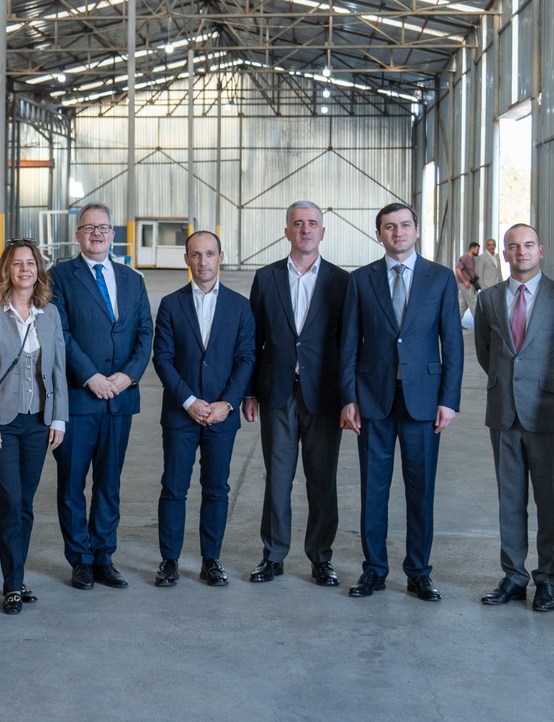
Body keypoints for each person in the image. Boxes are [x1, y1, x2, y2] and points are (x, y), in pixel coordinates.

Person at [337, 202, 463, 601]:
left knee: (420, 491)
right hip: (373, 399)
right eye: (389, 227)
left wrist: (449, 400)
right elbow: (348, 344)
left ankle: (419, 572)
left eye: (405, 225)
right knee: (373, 490)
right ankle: (374, 569)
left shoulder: (440, 278)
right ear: (379, 234)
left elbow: (453, 343)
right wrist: (348, 397)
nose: (398, 232)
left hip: (423, 402)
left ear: (417, 230)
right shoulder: (361, 280)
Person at [471, 223, 554, 613]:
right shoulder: (488, 299)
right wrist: (509, 386)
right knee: (510, 500)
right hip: (504, 412)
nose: (522, 252)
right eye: (513, 246)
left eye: (529, 245)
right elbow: (486, 352)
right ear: (505, 254)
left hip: (549, 413)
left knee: (550, 502)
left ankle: (546, 579)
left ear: (541, 250)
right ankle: (514, 576)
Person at [245, 201, 350, 586]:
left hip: (324, 395)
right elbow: (253, 339)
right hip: (277, 393)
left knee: (322, 480)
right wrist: (249, 392)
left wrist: (349, 397)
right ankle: (273, 556)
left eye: (312, 223)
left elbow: (348, 344)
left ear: (322, 231)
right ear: (287, 231)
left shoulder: (341, 282)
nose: (306, 229)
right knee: (278, 478)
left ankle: (321, 557)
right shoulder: (266, 277)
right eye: (298, 223)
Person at [49, 202, 152, 590]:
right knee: (72, 484)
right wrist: (90, 376)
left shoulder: (132, 279)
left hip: (119, 400)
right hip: (79, 399)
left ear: (113, 234)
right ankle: (80, 559)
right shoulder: (59, 276)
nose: (97, 233)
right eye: (89, 227)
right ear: (78, 234)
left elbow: (145, 332)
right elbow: (60, 332)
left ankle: (104, 556)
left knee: (109, 483)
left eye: (103, 227)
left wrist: (128, 376)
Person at [151, 231, 256, 587]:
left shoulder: (240, 306)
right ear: (187, 260)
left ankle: (211, 560)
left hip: (221, 415)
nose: (203, 261)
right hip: (181, 414)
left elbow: (246, 358)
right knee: (174, 487)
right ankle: (169, 561)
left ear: (220, 257)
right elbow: (163, 358)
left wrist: (227, 403)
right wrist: (188, 401)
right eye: (196, 255)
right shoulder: (171, 304)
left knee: (216, 488)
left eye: (209, 254)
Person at [0, 239, 68, 614]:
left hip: (39, 422)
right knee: (10, 501)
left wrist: (58, 418)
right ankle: (11, 586)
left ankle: (17, 575)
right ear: (6, 271)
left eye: (30, 263)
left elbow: (58, 370)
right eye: (17, 264)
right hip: (3, 424)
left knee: (25, 503)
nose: (25, 270)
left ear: (38, 270)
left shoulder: (50, 314)